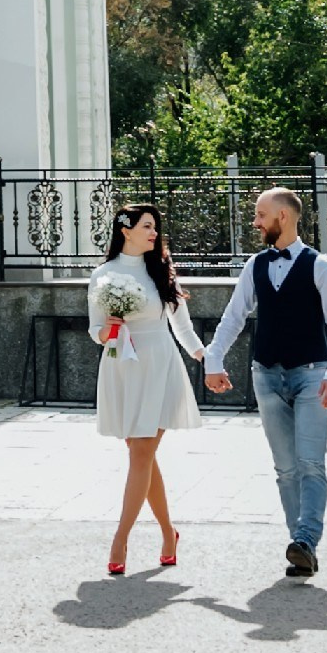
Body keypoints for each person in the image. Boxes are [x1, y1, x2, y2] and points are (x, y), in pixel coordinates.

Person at [203, 186, 327, 578]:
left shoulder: (319, 265)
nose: (255, 222)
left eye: (260, 215)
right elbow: (233, 317)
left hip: (312, 375)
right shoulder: (255, 265)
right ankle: (299, 545)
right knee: (285, 468)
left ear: (282, 217)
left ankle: (305, 540)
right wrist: (213, 359)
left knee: (310, 464)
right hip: (265, 375)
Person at [88, 203, 205, 576]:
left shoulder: (161, 272)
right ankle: (169, 534)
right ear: (126, 230)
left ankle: (120, 538)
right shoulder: (103, 274)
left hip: (158, 365)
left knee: (141, 453)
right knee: (144, 457)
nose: (154, 233)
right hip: (122, 364)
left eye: (155, 227)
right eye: (147, 226)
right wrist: (109, 327)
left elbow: (183, 328)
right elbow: (95, 332)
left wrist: (207, 359)